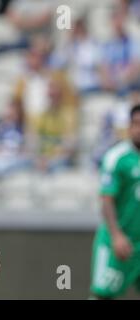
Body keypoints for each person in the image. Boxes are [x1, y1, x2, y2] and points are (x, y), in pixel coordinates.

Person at [90, 104, 140, 299]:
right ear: (129, 127)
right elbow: (106, 199)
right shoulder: (116, 158)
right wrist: (116, 235)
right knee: (102, 295)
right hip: (119, 241)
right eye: (135, 123)